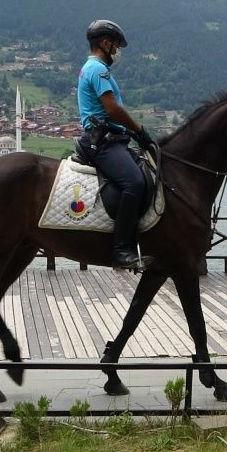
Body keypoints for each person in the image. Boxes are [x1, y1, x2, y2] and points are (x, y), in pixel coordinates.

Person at [76, 19, 155, 269]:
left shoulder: (95, 69)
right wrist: (139, 129)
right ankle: (121, 250)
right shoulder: (97, 70)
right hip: (104, 142)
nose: (117, 52)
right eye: (116, 45)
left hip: (114, 140)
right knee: (134, 182)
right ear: (105, 43)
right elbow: (112, 109)